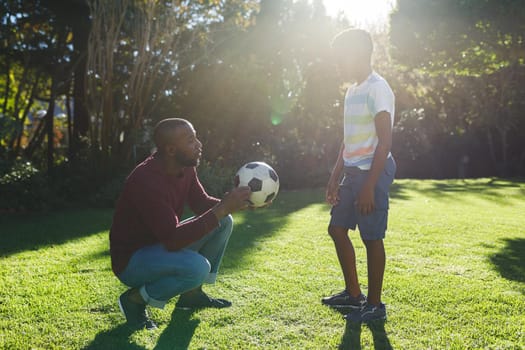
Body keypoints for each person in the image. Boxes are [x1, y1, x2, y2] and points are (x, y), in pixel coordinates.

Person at [110, 118, 251, 330]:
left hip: (160, 247)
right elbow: (173, 240)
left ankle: (191, 296)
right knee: (197, 268)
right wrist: (223, 208)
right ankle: (134, 300)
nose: (199, 144)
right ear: (171, 149)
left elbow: (200, 203)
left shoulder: (184, 168)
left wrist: (239, 204)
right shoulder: (146, 181)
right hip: (132, 262)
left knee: (223, 221)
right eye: (191, 140)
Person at [322, 28, 396, 323]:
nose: (338, 65)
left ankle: (375, 306)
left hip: (374, 172)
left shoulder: (378, 88)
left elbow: (385, 142)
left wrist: (369, 186)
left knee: (371, 236)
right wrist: (334, 176)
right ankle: (354, 296)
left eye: (341, 59)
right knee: (336, 229)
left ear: (358, 55)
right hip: (352, 172)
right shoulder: (352, 91)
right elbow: (348, 140)